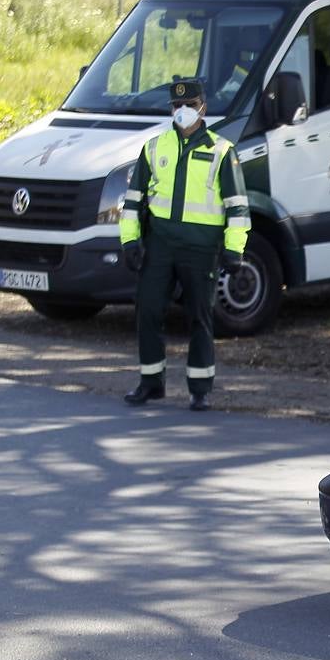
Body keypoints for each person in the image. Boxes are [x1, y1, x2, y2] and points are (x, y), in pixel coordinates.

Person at [120, 79, 250, 411]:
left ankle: (200, 388)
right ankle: (151, 382)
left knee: (200, 317)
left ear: (203, 107)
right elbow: (133, 201)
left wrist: (234, 250)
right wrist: (130, 241)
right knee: (148, 311)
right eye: (177, 106)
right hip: (160, 245)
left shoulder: (221, 151)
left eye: (189, 105)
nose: (182, 112)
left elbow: (237, 206)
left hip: (200, 248)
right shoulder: (154, 147)